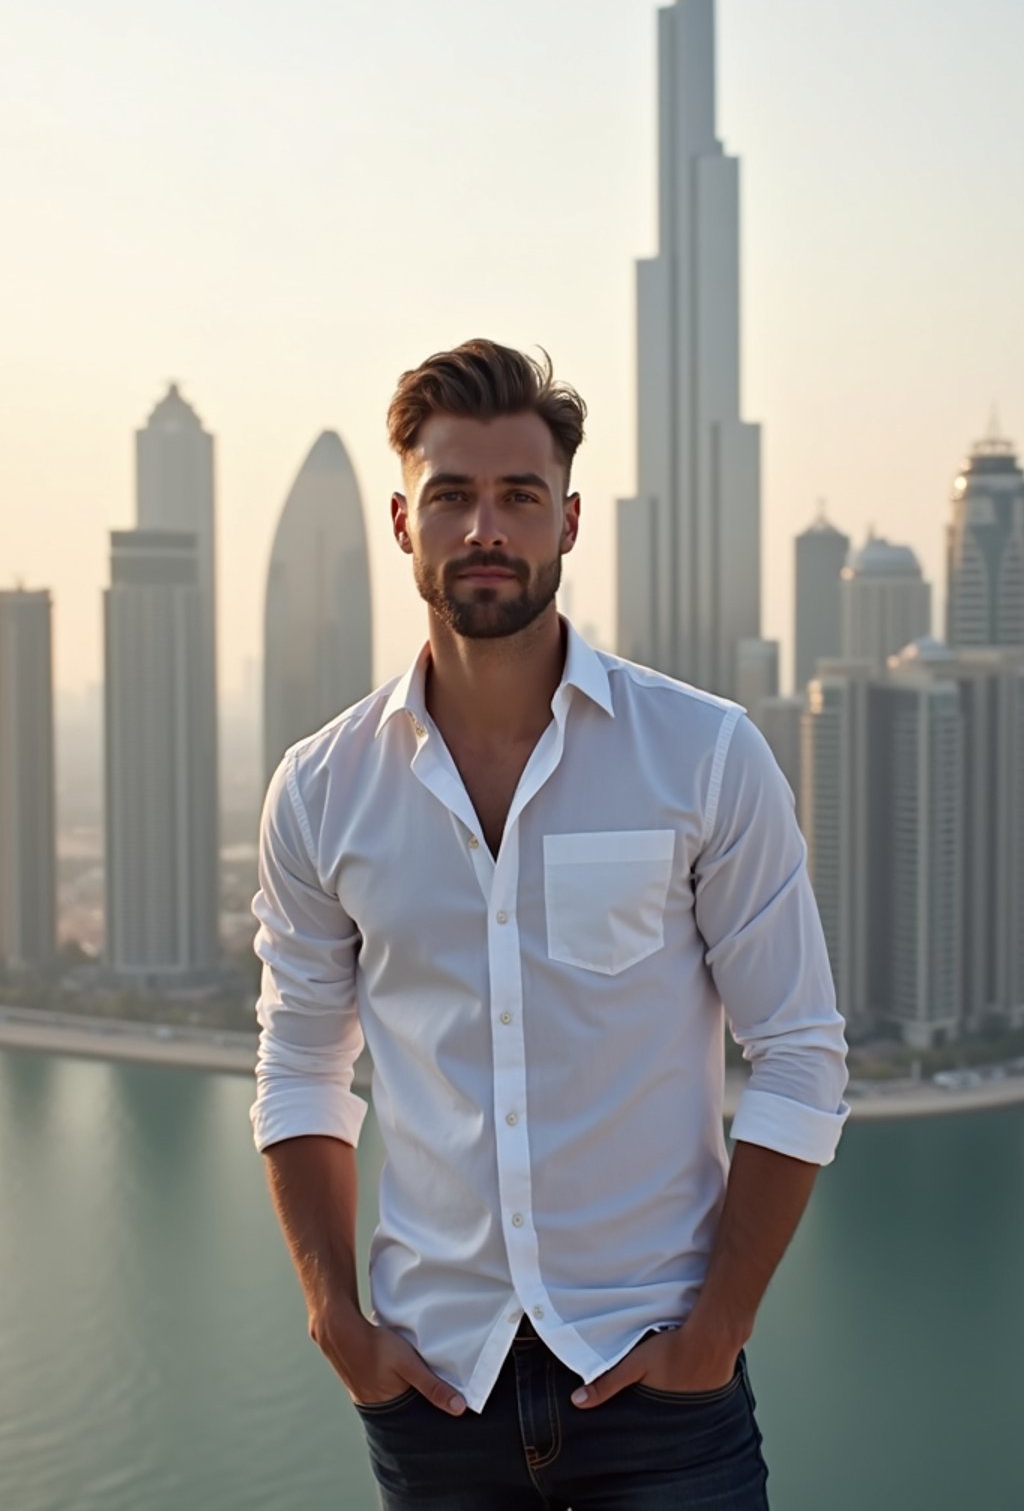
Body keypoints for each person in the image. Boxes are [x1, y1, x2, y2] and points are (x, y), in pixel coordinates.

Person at [250, 338, 849, 1510]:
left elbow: (798, 1051)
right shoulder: (321, 791)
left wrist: (714, 1332)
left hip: (661, 1393)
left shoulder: (704, 756)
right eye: (452, 497)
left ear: (567, 522)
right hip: (436, 1395)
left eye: (518, 497)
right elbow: (300, 1066)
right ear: (401, 523)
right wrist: (335, 1322)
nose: (486, 527)